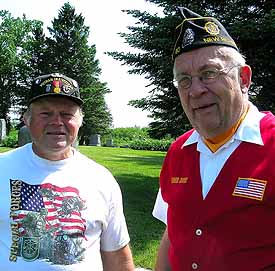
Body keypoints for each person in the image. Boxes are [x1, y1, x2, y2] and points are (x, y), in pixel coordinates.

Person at [153, 7, 275, 271]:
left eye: (209, 73)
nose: (196, 90)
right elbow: (170, 237)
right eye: (184, 80)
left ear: (243, 78)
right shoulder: (178, 151)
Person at [0, 73, 135, 270]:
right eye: (45, 113)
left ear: (80, 121)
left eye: (67, 114)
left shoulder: (101, 179)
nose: (57, 121)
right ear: (27, 120)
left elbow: (117, 257)